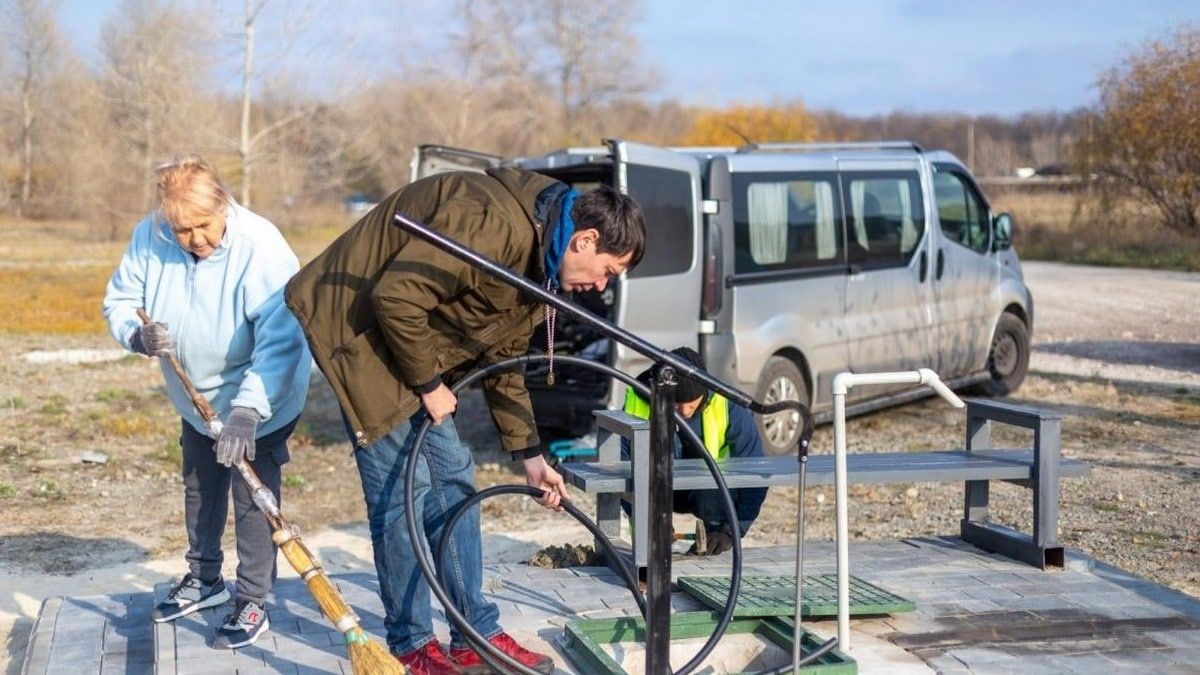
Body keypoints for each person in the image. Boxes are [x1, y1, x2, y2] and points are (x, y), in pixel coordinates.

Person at [284, 168, 645, 674]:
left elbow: (506, 360)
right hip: (359, 327)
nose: (600, 285)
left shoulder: (540, 261)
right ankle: (411, 645)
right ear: (585, 239)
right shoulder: (492, 222)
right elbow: (396, 297)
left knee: (453, 476)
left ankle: (471, 631)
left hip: (407, 338)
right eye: (607, 270)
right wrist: (431, 385)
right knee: (401, 493)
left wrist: (531, 456)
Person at [102, 155, 311, 649]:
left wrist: (248, 411)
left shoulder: (262, 247)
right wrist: (136, 334)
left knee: (251, 495)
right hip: (194, 400)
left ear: (224, 205)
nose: (196, 239)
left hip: (260, 397)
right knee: (200, 484)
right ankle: (205, 579)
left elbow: (281, 342)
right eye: (183, 229)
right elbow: (120, 297)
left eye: (204, 225)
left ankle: (254, 597)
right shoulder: (151, 235)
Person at [622, 347, 768, 556]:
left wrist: (732, 531)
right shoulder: (638, 400)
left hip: (708, 492)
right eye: (677, 406)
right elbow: (620, 468)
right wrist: (646, 522)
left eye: (691, 405)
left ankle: (713, 534)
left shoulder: (725, 403)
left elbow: (757, 472)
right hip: (655, 489)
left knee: (718, 487)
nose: (685, 413)